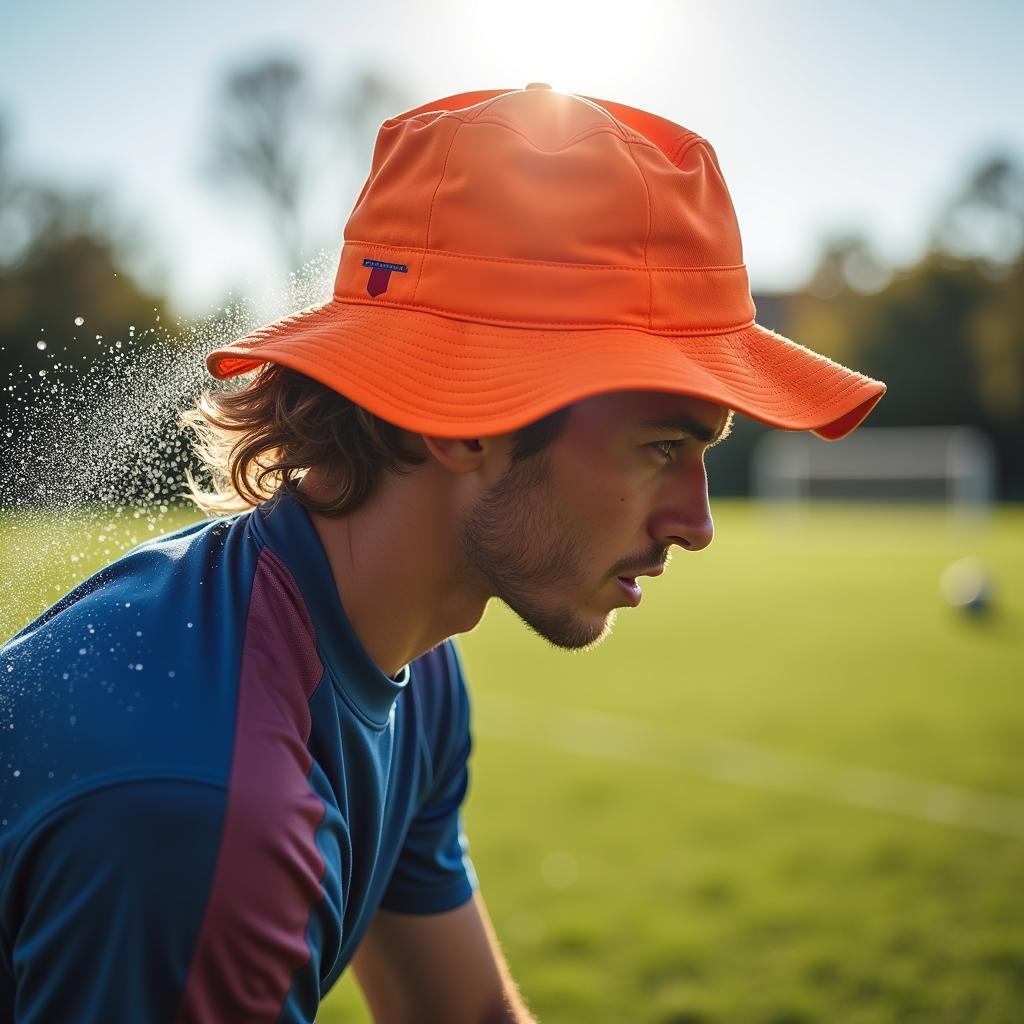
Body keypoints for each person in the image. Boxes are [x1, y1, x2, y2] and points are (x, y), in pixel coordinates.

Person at [0, 85, 884, 1023]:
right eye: (663, 448)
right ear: (466, 419)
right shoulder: (206, 811)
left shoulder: (411, 669)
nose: (697, 522)